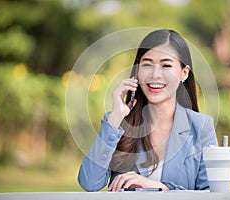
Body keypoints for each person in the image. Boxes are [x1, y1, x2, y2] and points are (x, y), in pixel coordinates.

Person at [78, 29, 218, 192]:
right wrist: (115, 118)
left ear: (184, 73)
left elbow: (210, 193)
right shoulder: (118, 123)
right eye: (147, 64)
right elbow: (89, 183)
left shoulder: (201, 126)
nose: (155, 74)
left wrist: (162, 188)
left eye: (166, 65)